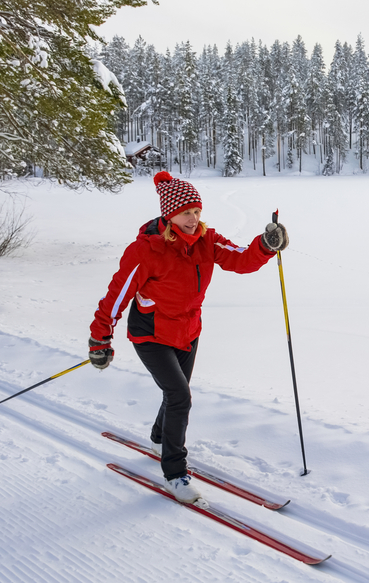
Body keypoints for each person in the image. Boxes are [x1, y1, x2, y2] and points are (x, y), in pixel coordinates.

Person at [88, 171, 288, 505]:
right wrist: (100, 339)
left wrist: (265, 246)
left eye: (197, 211)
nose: (194, 219)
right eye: (186, 213)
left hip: (188, 331)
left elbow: (240, 258)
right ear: (169, 215)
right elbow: (116, 296)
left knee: (175, 394)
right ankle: (174, 473)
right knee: (180, 396)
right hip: (150, 333)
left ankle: (158, 438)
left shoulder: (208, 241)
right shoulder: (146, 250)